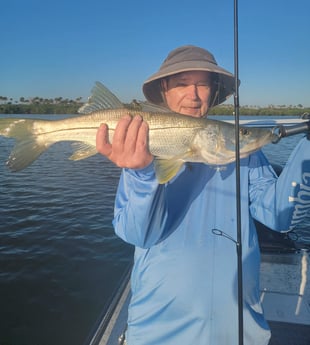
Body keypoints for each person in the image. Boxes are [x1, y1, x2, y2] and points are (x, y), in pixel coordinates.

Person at [96, 45, 310, 345]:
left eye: (203, 83)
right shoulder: (143, 152)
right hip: (157, 333)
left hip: (240, 332)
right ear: (165, 90)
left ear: (214, 90)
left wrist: (307, 149)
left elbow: (279, 217)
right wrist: (142, 174)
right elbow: (137, 233)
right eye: (182, 83)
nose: (193, 95)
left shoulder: (245, 153)